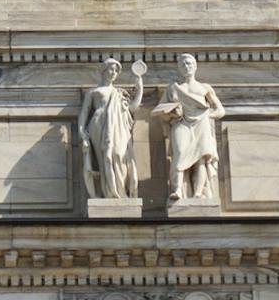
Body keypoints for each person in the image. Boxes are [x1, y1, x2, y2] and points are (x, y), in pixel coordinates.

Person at [153, 53, 225, 202]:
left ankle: (198, 193)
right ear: (179, 68)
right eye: (183, 65)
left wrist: (206, 116)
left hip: (202, 125)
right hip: (181, 123)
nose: (187, 67)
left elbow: (220, 110)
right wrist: (172, 113)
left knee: (200, 159)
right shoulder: (174, 88)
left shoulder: (204, 88)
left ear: (195, 66)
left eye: (189, 63)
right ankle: (178, 189)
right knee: (179, 154)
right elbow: (160, 111)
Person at [77, 58, 146, 198]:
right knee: (105, 159)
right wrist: (81, 132)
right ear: (103, 70)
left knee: (120, 155)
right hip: (98, 125)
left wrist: (140, 90)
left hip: (119, 127)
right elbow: (84, 113)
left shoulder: (119, 94)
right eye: (111, 69)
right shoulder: (94, 92)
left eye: (116, 70)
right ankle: (109, 193)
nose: (113, 72)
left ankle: (121, 192)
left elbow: (132, 108)